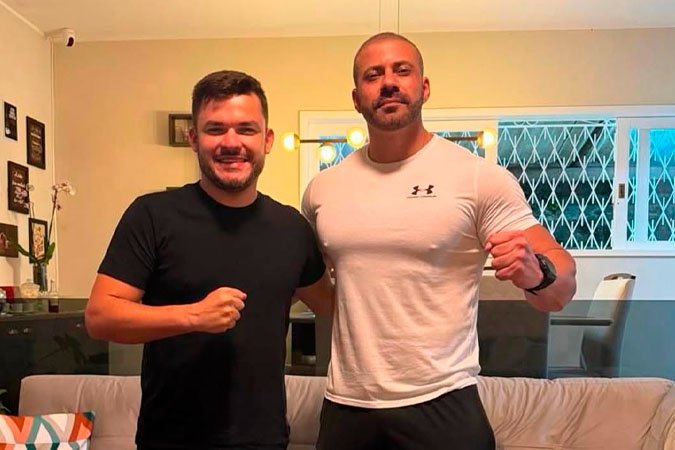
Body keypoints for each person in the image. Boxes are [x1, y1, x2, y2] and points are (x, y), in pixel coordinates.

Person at [301, 33, 577, 450]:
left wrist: (538, 273)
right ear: (356, 99)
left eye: (402, 71)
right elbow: (317, 290)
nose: (388, 82)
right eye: (373, 75)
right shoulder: (323, 189)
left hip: (442, 403)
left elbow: (560, 291)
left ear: (424, 87)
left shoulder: (477, 177)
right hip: (346, 406)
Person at [85, 70, 333, 450]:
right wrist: (192, 316)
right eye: (216, 129)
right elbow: (100, 316)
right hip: (170, 441)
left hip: (264, 441)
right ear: (193, 139)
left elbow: (334, 306)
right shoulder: (153, 215)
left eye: (246, 129)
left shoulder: (292, 229)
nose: (231, 143)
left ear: (267, 140)